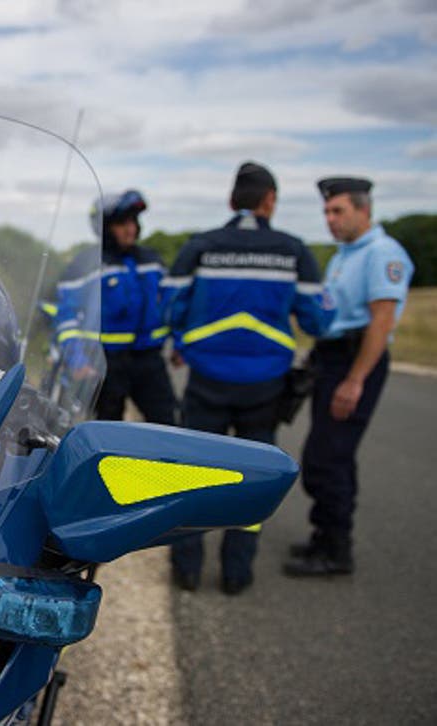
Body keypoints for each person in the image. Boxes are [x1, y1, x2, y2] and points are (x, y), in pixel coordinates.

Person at [164, 161, 332, 595]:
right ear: (269, 201)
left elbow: (170, 308)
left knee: (195, 475)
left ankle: (186, 569)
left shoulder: (200, 246)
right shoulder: (293, 250)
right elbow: (317, 321)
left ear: (230, 201)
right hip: (265, 387)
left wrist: (183, 342)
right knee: (255, 479)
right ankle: (236, 575)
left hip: (206, 383)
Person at [283, 177, 414, 578]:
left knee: (328, 458)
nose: (330, 219)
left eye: (337, 211)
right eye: (326, 211)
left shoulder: (382, 253)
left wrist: (355, 380)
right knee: (330, 454)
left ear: (363, 210)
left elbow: (381, 322)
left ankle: (336, 550)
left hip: (354, 362)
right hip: (332, 358)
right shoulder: (344, 255)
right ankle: (326, 536)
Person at [54, 190, 176, 425]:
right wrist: (77, 360)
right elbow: (65, 318)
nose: (131, 229)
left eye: (134, 221)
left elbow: (173, 306)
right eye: (122, 223)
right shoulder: (84, 265)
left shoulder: (153, 261)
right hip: (105, 363)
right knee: (108, 431)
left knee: (169, 426)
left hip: (149, 361)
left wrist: (180, 344)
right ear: (105, 227)